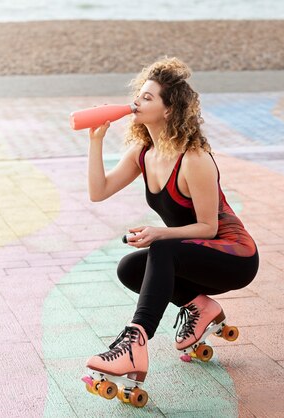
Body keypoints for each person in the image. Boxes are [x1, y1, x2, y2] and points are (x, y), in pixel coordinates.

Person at [84, 57, 259, 393]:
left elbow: (208, 227)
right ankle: (201, 306)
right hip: (191, 253)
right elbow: (98, 191)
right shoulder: (143, 152)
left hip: (235, 257)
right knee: (130, 268)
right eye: (139, 95)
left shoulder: (194, 159)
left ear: (168, 110)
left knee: (161, 248)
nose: (136, 101)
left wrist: (158, 233)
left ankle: (134, 345)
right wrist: (96, 141)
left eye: (148, 98)